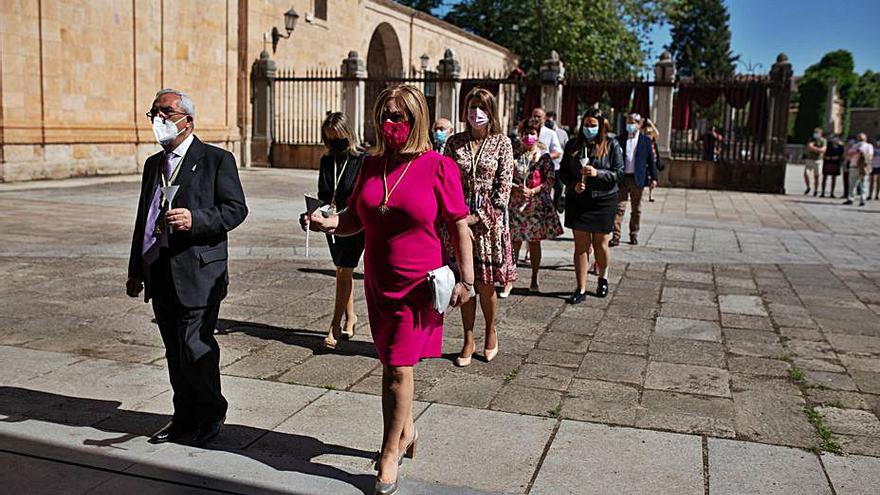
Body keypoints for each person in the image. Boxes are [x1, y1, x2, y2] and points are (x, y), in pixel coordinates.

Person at [301, 85, 474, 495]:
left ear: (417, 121)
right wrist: (327, 223)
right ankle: (408, 430)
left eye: (399, 117)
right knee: (394, 365)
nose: (390, 124)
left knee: (397, 369)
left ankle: (388, 454)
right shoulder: (370, 164)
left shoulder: (438, 166)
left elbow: (458, 225)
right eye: (384, 116)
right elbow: (355, 219)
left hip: (418, 285)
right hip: (378, 282)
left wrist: (466, 280)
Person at [126, 89, 248, 447]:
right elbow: (144, 220)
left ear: (187, 120)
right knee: (174, 350)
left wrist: (196, 218)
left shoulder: (215, 159)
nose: (159, 120)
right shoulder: (153, 165)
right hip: (161, 271)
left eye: (166, 113)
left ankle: (211, 412)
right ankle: (183, 417)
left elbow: (235, 209)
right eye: (154, 114)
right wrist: (137, 269)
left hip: (199, 273)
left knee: (195, 346)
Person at [442, 87, 516, 367]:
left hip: (488, 226)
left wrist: (477, 219)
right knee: (464, 283)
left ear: (491, 111)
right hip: (459, 221)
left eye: (482, 108)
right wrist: (457, 219)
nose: (477, 113)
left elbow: (503, 190)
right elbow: (445, 180)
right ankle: (468, 337)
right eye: (472, 107)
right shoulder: (454, 142)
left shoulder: (502, 143)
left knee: (486, 284)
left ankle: (490, 330)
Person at [558, 108, 624, 303]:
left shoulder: (611, 145)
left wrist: (598, 173)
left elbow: (618, 174)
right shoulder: (573, 145)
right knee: (581, 245)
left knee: (600, 243)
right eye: (586, 125)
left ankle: (603, 277)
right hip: (578, 201)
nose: (589, 129)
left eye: (593, 125)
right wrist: (573, 185)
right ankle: (581, 288)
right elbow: (563, 172)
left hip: (603, 200)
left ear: (601, 126)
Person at [317, 112, 365, 349]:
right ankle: (352, 317)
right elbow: (322, 193)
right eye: (330, 138)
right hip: (330, 220)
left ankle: (335, 325)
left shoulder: (362, 160)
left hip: (354, 222)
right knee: (341, 269)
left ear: (348, 134)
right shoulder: (327, 161)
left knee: (345, 269)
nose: (335, 142)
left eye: (338, 137)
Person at [505, 117, 563, 295]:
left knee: (534, 243)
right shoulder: (513, 154)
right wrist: (515, 188)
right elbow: (504, 177)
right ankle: (509, 279)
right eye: (526, 133)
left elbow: (550, 180)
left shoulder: (544, 158)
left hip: (535, 206)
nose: (528, 136)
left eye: (532, 133)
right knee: (514, 243)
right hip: (516, 205)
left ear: (537, 136)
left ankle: (534, 277)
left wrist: (534, 191)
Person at [612, 113, 657, 247]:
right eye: (628, 122)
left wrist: (654, 178)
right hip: (622, 178)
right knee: (619, 207)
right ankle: (616, 236)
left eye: (633, 122)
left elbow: (651, 161)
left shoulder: (645, 141)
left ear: (639, 124)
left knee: (636, 209)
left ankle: (634, 234)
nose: (630, 125)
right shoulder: (619, 140)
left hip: (637, 178)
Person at [546, 110, 569, 212]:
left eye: (550, 119)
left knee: (558, 188)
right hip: (546, 166)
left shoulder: (562, 133)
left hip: (559, 166)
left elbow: (567, 148)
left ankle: (555, 207)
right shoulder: (544, 133)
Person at [844, 133, 874, 206]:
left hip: (863, 167)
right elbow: (848, 155)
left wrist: (862, 154)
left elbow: (870, 156)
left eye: (861, 138)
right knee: (853, 183)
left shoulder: (868, 146)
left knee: (862, 183)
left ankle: (862, 199)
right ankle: (851, 198)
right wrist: (855, 152)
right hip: (854, 166)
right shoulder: (854, 146)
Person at [643, 118, 662, 202]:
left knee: (652, 180)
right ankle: (640, 193)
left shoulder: (653, 142)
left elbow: (657, 133)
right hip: (644, 162)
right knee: (643, 179)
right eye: (647, 133)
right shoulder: (642, 140)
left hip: (652, 162)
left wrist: (651, 123)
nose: (649, 135)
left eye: (650, 133)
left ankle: (651, 195)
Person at [804, 127, 826, 196]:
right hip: (810, 159)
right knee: (806, 173)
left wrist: (814, 148)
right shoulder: (811, 139)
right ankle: (808, 187)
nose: (816, 134)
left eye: (817, 132)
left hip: (818, 160)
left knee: (817, 176)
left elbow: (823, 150)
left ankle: (816, 190)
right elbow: (809, 147)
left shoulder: (823, 140)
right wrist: (817, 149)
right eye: (815, 132)